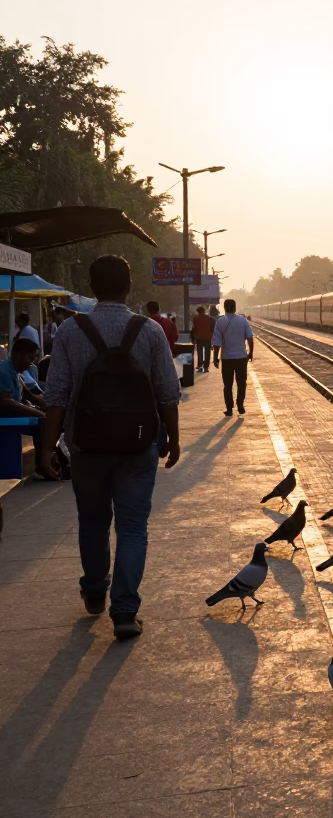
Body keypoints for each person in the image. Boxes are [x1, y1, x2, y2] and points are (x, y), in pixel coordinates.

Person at [41, 255, 182, 640]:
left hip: (86, 446)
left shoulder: (70, 331)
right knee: (133, 528)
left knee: (93, 521)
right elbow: (168, 393)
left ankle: (94, 588)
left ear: (92, 285)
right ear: (129, 286)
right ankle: (124, 611)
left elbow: (56, 394)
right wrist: (173, 438)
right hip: (138, 445)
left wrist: (47, 446)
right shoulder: (150, 330)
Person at [0, 338, 49, 474]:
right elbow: (6, 401)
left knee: (48, 416)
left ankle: (49, 457)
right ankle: (41, 462)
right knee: (41, 420)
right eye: (30, 359)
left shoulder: (17, 374)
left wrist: (52, 406)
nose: (31, 365)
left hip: (10, 410)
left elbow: (29, 396)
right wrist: (37, 412)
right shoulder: (4, 371)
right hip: (4, 412)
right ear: (17, 355)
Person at [211, 298, 254, 416]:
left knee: (227, 385)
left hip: (226, 359)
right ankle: (240, 404)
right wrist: (251, 352)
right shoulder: (243, 321)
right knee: (241, 383)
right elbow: (250, 338)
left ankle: (229, 408)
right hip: (241, 357)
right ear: (235, 307)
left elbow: (217, 341)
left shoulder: (220, 322)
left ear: (224, 308)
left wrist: (215, 357)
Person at [191, 305, 215, 373]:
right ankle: (206, 367)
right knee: (207, 353)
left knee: (200, 353)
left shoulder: (195, 319)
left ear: (198, 312)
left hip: (199, 338)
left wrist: (193, 338)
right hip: (208, 338)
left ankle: (200, 366)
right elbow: (212, 329)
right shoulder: (210, 318)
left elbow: (194, 329)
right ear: (204, 311)